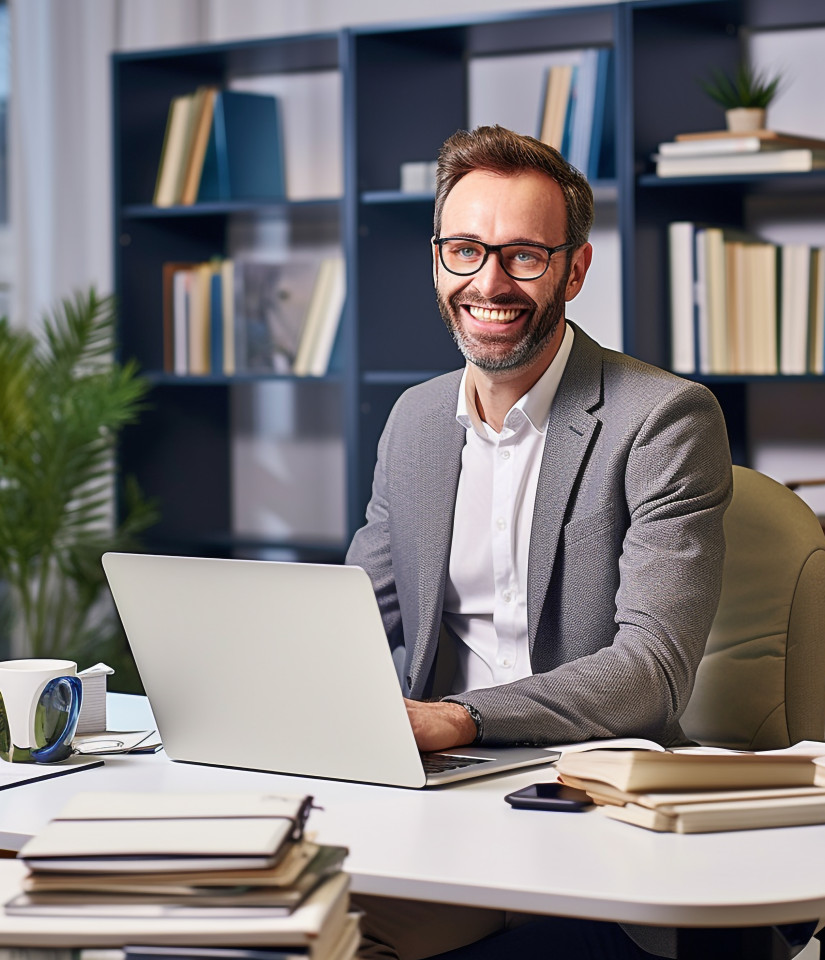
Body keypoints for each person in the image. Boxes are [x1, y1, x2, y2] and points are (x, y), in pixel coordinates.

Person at [346, 125, 733, 960]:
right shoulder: (415, 420)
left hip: (592, 813)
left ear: (574, 269)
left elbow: (652, 672)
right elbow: (355, 623)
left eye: (524, 256)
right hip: (434, 807)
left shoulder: (664, 419)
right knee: (262, 926)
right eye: (464, 251)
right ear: (436, 260)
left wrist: (459, 720)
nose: (489, 282)